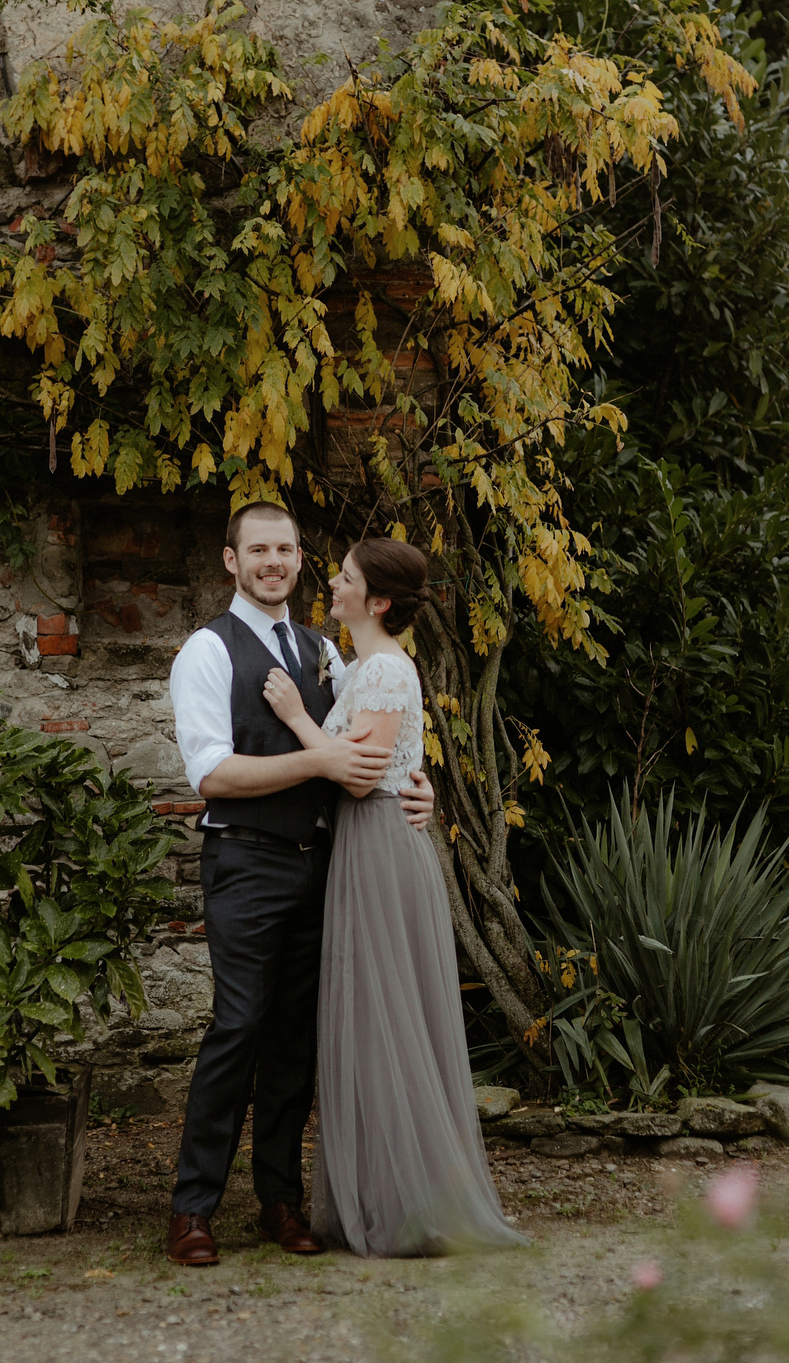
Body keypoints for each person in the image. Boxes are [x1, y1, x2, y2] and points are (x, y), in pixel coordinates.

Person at [166, 503, 435, 1266]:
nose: (274, 561)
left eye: (285, 548)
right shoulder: (207, 652)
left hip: (325, 866)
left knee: (294, 1039)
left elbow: (376, 743)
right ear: (232, 561)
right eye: (259, 550)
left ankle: (281, 1201)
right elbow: (213, 774)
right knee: (238, 1027)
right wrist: (318, 763)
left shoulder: (325, 652)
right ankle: (193, 1207)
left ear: (297, 559)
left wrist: (420, 789)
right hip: (246, 863)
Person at [263, 537, 525, 1257]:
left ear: (377, 599)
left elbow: (355, 774)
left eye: (345, 577)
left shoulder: (383, 671)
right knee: (369, 1020)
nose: (333, 583)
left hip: (378, 845)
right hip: (371, 841)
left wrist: (294, 717)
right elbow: (389, 761)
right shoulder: (361, 666)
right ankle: (383, 1193)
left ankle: (408, 1203)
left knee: (385, 1018)